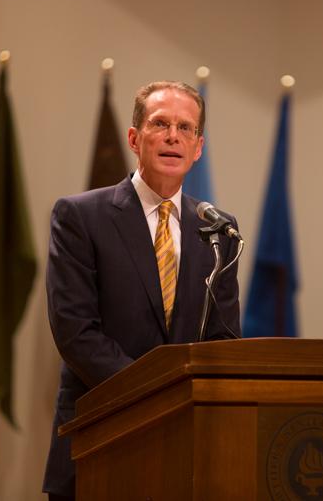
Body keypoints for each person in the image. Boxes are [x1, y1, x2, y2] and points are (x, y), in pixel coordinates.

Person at [42, 81, 241, 500]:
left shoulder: (218, 229)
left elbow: (223, 341)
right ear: (134, 138)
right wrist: (158, 396)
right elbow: (75, 332)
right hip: (101, 437)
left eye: (185, 128)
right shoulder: (81, 216)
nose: (173, 136)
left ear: (198, 147)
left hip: (188, 451)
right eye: (160, 124)